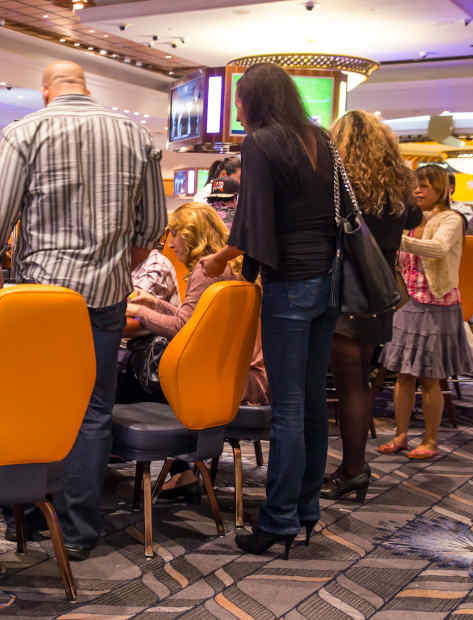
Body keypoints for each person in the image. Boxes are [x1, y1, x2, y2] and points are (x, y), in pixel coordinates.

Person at [0, 60, 167, 561]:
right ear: (85, 86)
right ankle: (80, 530)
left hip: (41, 297)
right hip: (105, 295)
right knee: (92, 411)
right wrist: (121, 261)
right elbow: (152, 225)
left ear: (46, 92)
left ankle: (27, 515)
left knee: (30, 402)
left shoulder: (26, 131)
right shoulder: (134, 134)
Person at [201, 63, 339, 558]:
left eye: (239, 101)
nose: (237, 111)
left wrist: (220, 258)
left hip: (291, 285)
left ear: (254, 100)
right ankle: (305, 510)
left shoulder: (260, 142)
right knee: (313, 404)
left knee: (288, 408)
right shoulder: (321, 139)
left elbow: (252, 219)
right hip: (329, 282)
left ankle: (279, 518)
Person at [322, 111, 422, 502]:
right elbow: (413, 217)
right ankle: (354, 467)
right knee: (359, 381)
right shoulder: (397, 182)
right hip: (380, 292)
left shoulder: (336, 181)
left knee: (348, 384)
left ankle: (352, 470)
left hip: (346, 289)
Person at [123, 202, 268, 427]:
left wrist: (139, 312)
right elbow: (195, 320)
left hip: (228, 382)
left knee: (126, 372)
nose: (171, 244)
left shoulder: (205, 271)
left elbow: (182, 328)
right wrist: (154, 302)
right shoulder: (230, 266)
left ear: (192, 235)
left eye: (175, 235)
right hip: (246, 376)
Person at [379, 165, 473, 459]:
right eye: (416, 185)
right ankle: (400, 435)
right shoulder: (409, 219)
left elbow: (438, 248)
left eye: (425, 186)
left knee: (430, 377)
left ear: (441, 189)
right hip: (407, 302)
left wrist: (394, 238)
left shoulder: (451, 219)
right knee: (403, 374)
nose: (418, 191)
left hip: (437, 303)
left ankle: (430, 440)